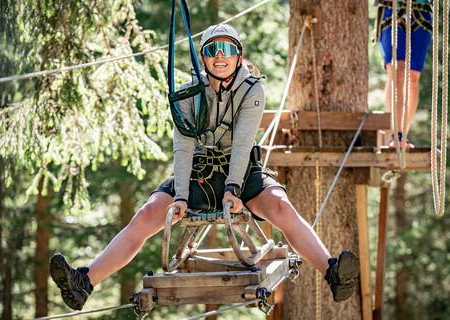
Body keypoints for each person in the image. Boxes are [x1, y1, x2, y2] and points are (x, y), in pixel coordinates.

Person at [49, 24, 360, 311]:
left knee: (281, 207)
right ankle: (84, 282)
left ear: (240, 56)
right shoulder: (188, 94)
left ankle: (333, 272)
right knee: (146, 215)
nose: (220, 56)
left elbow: (242, 143)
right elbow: (183, 146)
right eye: (213, 50)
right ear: (204, 58)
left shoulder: (252, 90)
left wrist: (233, 188)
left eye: (227, 49)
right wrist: (181, 195)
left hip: (240, 173)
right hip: (199, 174)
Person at [374, 0, 433, 148]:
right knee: (397, 71)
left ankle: (403, 134)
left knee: (413, 78)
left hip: (421, 12)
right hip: (392, 9)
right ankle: (397, 134)